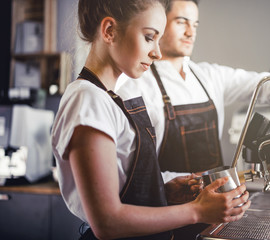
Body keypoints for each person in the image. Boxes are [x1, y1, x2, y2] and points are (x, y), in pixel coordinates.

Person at [51, 1, 251, 240]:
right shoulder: (87, 100)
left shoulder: (110, 98)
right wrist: (197, 211)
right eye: (149, 37)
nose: (157, 53)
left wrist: (163, 188)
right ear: (109, 31)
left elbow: (122, 185)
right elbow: (107, 222)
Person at [117, 0, 270, 178]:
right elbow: (133, 173)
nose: (191, 32)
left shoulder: (207, 76)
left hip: (216, 201)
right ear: (159, 23)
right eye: (181, 22)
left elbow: (263, 84)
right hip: (168, 208)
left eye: (195, 24)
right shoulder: (136, 85)